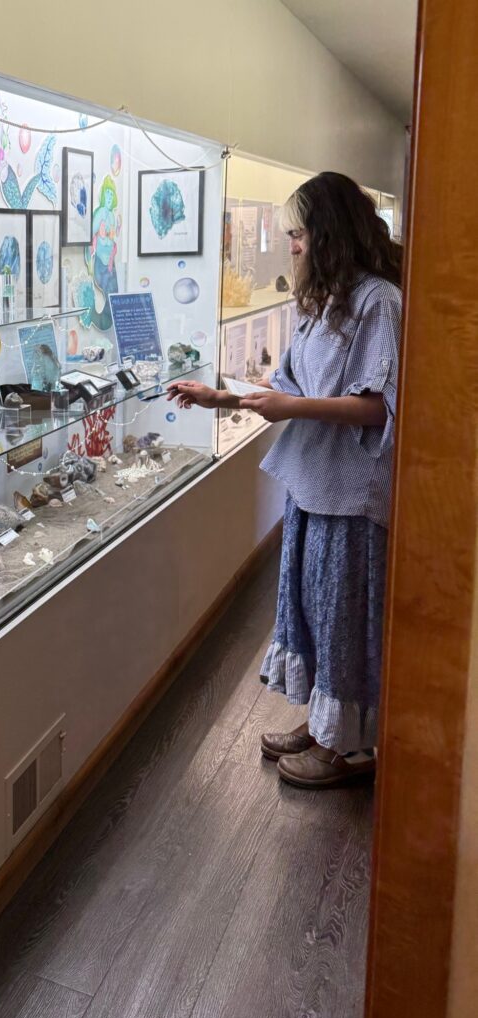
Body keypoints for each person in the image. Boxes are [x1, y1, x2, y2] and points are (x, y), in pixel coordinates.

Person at [168, 171, 402, 789]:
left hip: (351, 493)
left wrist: (291, 409)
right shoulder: (324, 299)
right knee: (315, 611)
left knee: (345, 615)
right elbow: (290, 385)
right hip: (311, 482)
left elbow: (378, 406)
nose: (291, 245)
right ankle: (329, 723)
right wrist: (220, 396)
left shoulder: (379, 301)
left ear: (329, 232)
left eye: (299, 234)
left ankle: (350, 748)